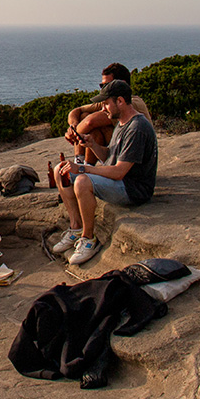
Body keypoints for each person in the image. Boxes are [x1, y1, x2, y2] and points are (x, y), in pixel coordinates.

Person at [51, 79, 158, 266]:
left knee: (82, 181)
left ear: (120, 101)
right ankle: (76, 227)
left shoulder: (137, 128)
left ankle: (88, 239)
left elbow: (119, 172)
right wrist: (92, 145)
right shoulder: (122, 123)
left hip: (133, 189)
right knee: (60, 170)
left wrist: (83, 168)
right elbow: (111, 156)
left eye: (106, 104)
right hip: (119, 182)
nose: (104, 109)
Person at [64, 63, 150, 162]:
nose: (103, 89)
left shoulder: (131, 103)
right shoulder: (109, 102)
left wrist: (73, 135)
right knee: (84, 115)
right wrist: (73, 125)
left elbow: (91, 122)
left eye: (107, 85)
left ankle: (86, 167)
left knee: (97, 126)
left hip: (134, 158)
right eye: (102, 85)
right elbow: (76, 111)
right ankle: (80, 161)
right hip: (119, 150)